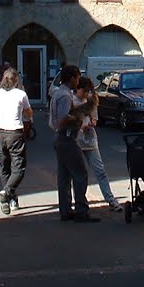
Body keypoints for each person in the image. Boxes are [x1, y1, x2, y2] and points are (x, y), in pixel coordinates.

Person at [48, 64, 100, 223]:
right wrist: (77, 120)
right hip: (67, 138)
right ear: (71, 78)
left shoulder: (58, 93)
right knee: (80, 173)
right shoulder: (65, 96)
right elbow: (63, 118)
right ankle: (81, 211)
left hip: (60, 138)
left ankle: (65, 211)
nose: (78, 81)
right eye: (77, 78)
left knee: (64, 176)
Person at [0, 67, 33, 215]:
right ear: (16, 81)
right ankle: (7, 193)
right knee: (19, 167)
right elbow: (28, 113)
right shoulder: (21, 94)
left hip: (0, 133)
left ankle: (10, 200)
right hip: (15, 133)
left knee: (4, 167)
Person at [74, 76, 122, 211]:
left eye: (88, 91)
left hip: (89, 139)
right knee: (79, 174)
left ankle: (110, 199)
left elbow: (95, 120)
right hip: (76, 140)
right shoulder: (72, 101)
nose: (86, 94)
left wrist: (91, 123)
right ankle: (80, 203)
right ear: (78, 89)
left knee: (100, 170)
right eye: (84, 91)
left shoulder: (91, 101)